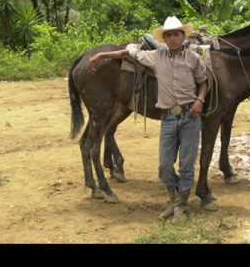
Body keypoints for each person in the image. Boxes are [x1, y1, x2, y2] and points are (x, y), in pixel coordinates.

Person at [89, 16, 208, 223]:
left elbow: (203, 82)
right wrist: (101, 55)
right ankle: (175, 199)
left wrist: (200, 100)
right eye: (168, 35)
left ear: (182, 36)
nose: (172, 38)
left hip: (190, 116)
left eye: (176, 34)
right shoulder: (156, 56)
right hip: (169, 118)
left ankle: (180, 206)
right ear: (164, 38)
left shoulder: (193, 58)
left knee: (187, 165)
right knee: (164, 167)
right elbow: (128, 52)